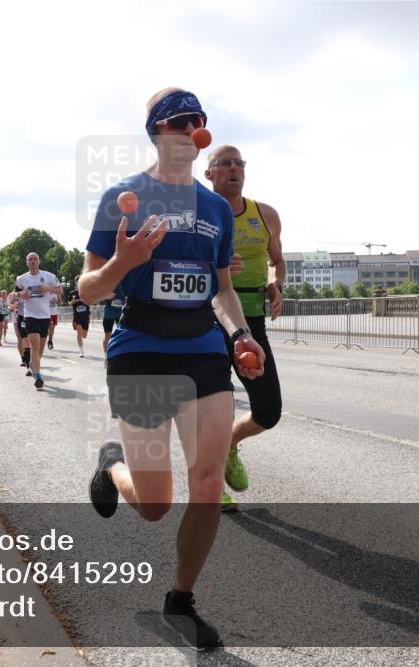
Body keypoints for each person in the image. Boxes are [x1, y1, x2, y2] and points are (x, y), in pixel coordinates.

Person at [81, 88, 264, 650]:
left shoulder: (214, 208)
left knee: (206, 485)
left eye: (201, 121)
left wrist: (239, 333)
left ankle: (180, 601)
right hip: (141, 348)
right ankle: (113, 467)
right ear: (159, 132)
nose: (195, 130)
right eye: (183, 121)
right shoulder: (123, 197)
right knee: (156, 504)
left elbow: (224, 288)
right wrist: (124, 261)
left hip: (204, 350)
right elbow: (88, 290)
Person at [205, 144, 286, 511]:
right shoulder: (196, 214)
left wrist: (275, 284)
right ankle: (208, 481)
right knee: (215, 403)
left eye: (239, 163)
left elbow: (277, 260)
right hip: (205, 319)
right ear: (209, 174)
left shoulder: (264, 214)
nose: (234, 169)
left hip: (250, 321)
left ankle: (229, 446)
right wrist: (216, 271)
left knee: (268, 410)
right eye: (224, 163)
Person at [16, 252, 62, 389]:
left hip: (45, 316)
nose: (32, 261)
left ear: (39, 261)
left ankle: (32, 365)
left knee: (40, 350)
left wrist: (48, 289)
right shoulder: (22, 279)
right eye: (29, 259)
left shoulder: (49, 276)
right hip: (30, 316)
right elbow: (14, 294)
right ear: (27, 263)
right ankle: (38, 377)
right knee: (35, 348)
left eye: (35, 258)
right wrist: (21, 294)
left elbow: (60, 291)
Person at [100, 285, 125, 358]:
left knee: (122, 334)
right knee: (107, 335)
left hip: (119, 314)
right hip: (109, 314)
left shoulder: (122, 286)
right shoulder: (109, 284)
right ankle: (106, 356)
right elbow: (101, 296)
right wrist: (107, 296)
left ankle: (120, 353)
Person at [70, 285, 90, 357]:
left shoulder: (86, 291)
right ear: (75, 283)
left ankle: (81, 339)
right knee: (79, 332)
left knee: (84, 336)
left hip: (85, 316)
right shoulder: (73, 293)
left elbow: (91, 301)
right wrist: (73, 299)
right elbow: (69, 303)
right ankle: (81, 351)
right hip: (77, 316)